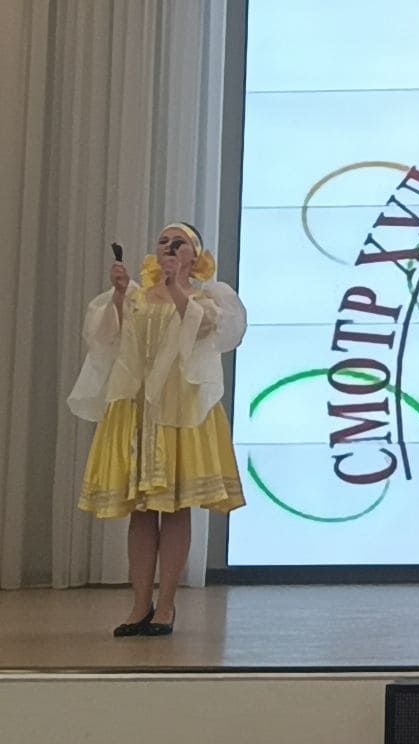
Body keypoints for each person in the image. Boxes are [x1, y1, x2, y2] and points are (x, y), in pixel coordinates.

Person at [70, 223, 246, 637]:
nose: (168, 247)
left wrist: (175, 285)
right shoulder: (138, 295)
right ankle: (139, 604)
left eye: (177, 242)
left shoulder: (205, 297)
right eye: (163, 241)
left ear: (193, 254)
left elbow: (204, 329)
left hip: (180, 411)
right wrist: (118, 295)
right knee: (142, 510)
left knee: (176, 506)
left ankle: (166, 604)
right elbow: (106, 339)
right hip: (138, 409)